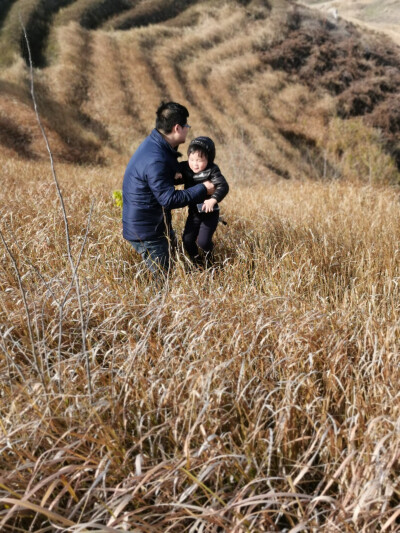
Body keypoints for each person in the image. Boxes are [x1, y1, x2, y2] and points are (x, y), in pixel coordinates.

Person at [122, 102, 215, 277]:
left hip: (151, 225)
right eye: (187, 125)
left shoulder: (157, 145)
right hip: (148, 232)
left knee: (168, 269)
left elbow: (160, 177)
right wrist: (203, 189)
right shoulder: (156, 158)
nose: (188, 129)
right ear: (178, 128)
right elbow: (169, 199)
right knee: (163, 282)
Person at [176, 136, 229, 267]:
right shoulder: (185, 168)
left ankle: (210, 263)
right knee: (187, 241)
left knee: (203, 242)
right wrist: (175, 173)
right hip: (194, 213)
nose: (195, 164)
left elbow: (223, 186)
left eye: (199, 160)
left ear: (209, 159)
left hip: (210, 214)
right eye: (192, 159)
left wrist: (213, 200)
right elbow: (172, 167)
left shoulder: (212, 170)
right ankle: (198, 264)